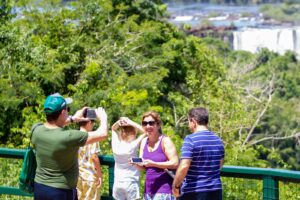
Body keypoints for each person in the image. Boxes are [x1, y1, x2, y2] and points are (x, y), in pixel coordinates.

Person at [31, 93, 108, 200]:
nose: (68, 111)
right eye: (67, 109)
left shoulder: (36, 130)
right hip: (61, 192)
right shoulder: (69, 136)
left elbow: (55, 123)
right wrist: (103, 118)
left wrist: (73, 118)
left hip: (40, 187)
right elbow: (103, 134)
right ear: (63, 112)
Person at [172, 107, 225, 200]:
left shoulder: (190, 140)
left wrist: (176, 186)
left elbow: (184, 166)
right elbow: (220, 164)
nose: (189, 125)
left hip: (194, 192)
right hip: (215, 191)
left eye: (189, 122)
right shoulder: (218, 140)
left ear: (193, 121)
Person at [138, 111, 179, 200]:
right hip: (148, 190)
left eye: (151, 123)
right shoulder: (144, 141)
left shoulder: (165, 141)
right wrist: (136, 165)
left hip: (164, 189)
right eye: (144, 123)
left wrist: (154, 164)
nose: (148, 126)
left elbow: (175, 163)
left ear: (158, 125)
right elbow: (145, 167)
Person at [111, 117, 146, 200]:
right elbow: (145, 132)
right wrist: (131, 122)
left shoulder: (115, 145)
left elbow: (113, 128)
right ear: (132, 133)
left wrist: (119, 122)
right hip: (131, 182)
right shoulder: (132, 145)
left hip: (118, 182)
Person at [77, 109, 106, 200]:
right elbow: (94, 157)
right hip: (90, 178)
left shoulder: (74, 136)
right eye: (93, 123)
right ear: (89, 122)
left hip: (77, 177)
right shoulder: (92, 137)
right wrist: (100, 175)